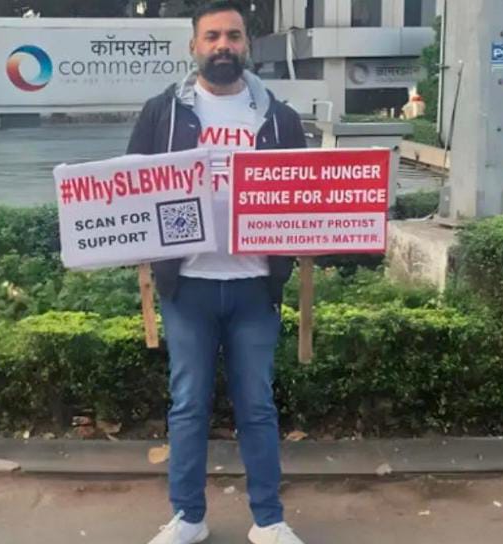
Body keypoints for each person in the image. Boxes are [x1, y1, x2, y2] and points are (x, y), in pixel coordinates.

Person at [125, 2, 307, 543]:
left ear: (246, 44)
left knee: (258, 406)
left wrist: (325, 233)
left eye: (232, 35)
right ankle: (189, 518)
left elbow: (304, 195)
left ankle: (269, 521)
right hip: (188, 287)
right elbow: (130, 187)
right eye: (212, 36)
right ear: (194, 46)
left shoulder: (279, 118)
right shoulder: (162, 114)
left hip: (255, 285)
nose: (222, 45)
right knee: (187, 406)